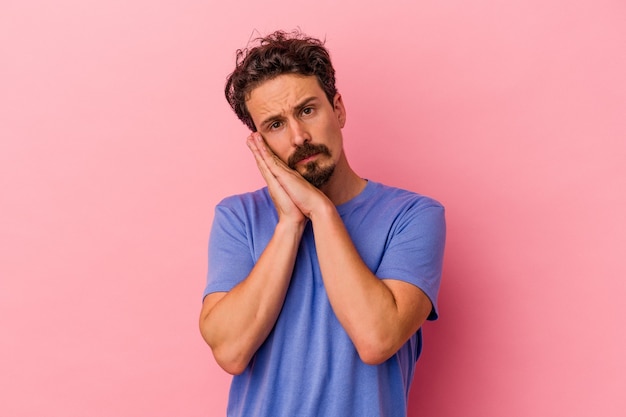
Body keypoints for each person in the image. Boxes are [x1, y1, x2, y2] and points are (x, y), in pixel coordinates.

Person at [199, 30, 446, 417]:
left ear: (339, 109)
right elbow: (230, 351)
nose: (299, 137)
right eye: (275, 125)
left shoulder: (413, 215)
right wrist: (289, 225)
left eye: (307, 110)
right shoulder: (238, 217)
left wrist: (322, 211)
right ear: (260, 141)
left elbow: (376, 338)